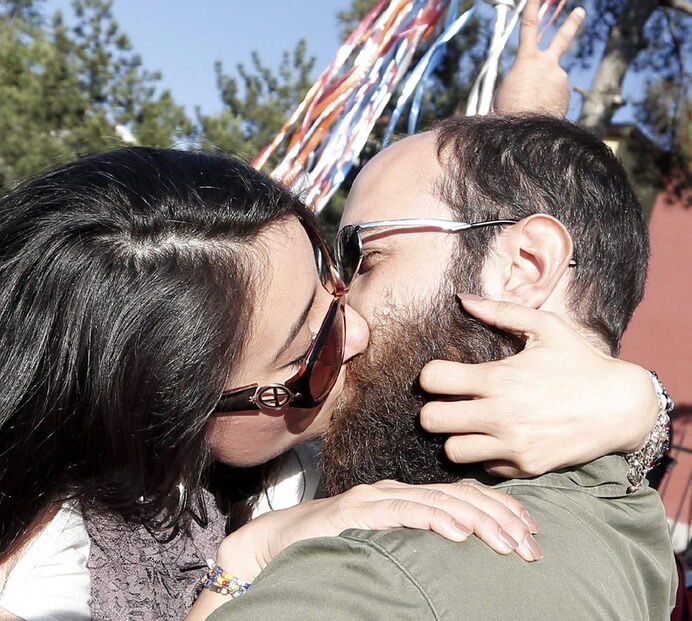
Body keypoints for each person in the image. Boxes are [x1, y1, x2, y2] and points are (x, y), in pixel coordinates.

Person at [0, 145, 665, 621]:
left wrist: (637, 405)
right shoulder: (29, 587)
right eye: (309, 359)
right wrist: (248, 562)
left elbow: (477, 249)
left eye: (338, 274)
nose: (353, 333)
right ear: (163, 417)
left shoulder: (255, 454)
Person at [206, 115, 678, 621]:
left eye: (364, 257)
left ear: (526, 265)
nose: (343, 312)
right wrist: (642, 405)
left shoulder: (369, 582)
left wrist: (245, 559)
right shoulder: (633, 531)